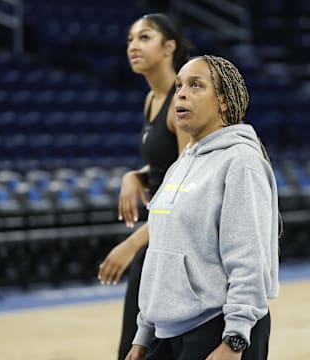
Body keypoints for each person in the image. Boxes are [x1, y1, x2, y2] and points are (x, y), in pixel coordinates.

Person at [125, 55, 281, 360]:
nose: (180, 93)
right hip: (167, 332)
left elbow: (249, 258)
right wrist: (143, 333)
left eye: (196, 85)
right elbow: (160, 254)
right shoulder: (182, 163)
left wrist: (235, 339)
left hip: (219, 330)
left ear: (223, 102)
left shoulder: (241, 161)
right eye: (179, 85)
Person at [97, 13, 194, 360]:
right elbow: (165, 164)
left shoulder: (181, 102)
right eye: (129, 39)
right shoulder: (151, 99)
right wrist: (134, 175)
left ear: (169, 47)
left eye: (144, 37)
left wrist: (132, 243)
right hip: (157, 238)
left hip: (172, 243)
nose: (133, 46)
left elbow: (188, 183)